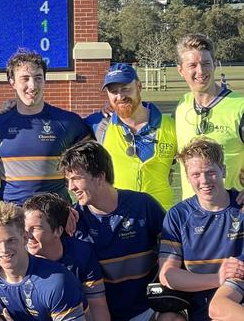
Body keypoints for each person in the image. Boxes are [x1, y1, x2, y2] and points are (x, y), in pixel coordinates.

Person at [59, 140, 166, 321]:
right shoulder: (72, 220)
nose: (71, 187)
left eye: (77, 178)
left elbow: (177, 246)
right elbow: (34, 240)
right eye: (68, 180)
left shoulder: (143, 205)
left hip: (146, 310)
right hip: (99, 314)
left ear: (100, 176)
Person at [0, 192, 110, 321]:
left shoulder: (77, 259)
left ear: (58, 231)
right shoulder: (9, 263)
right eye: (24, 229)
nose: (28, 235)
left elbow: (98, 308)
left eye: (36, 228)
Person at [0, 50, 90, 204]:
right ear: (12, 82)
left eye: (38, 78)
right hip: (13, 218)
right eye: (25, 79)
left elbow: (90, 170)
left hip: (55, 217)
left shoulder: (69, 122)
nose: (32, 86)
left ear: (45, 80)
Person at [159, 138, 244, 320]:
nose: (204, 181)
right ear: (188, 177)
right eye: (196, 174)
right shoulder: (178, 215)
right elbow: (167, 275)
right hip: (198, 310)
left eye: (210, 172)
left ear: (223, 170)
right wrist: (218, 278)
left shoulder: (241, 207)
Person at [86, 63, 177, 210]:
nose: (120, 96)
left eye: (125, 89)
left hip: (163, 220)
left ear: (139, 87)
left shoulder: (170, 125)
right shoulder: (98, 125)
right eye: (113, 91)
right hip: (120, 221)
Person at [174, 33, 244, 199]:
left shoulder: (239, 107)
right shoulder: (182, 106)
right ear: (181, 70)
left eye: (206, 63)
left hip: (232, 214)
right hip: (191, 215)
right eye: (192, 65)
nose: (200, 71)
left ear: (214, 65)